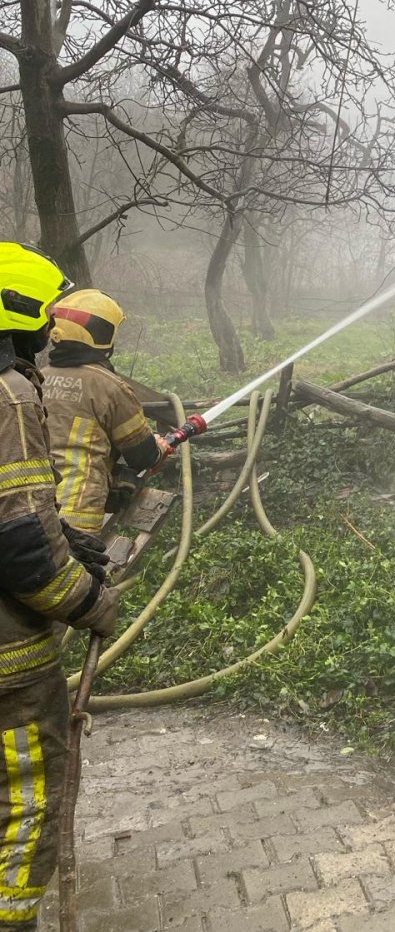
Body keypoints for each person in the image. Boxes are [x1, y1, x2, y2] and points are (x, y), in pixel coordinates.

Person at [0, 243, 119, 930]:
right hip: (8, 664)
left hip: (60, 526)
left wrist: (64, 538)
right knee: (23, 807)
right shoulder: (11, 393)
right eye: (42, 316)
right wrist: (91, 602)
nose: (50, 330)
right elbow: (21, 553)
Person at [40, 290, 166, 534]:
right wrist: (159, 448)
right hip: (77, 514)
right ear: (102, 334)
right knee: (80, 573)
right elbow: (142, 456)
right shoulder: (109, 387)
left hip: (31, 516)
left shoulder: (37, 379)